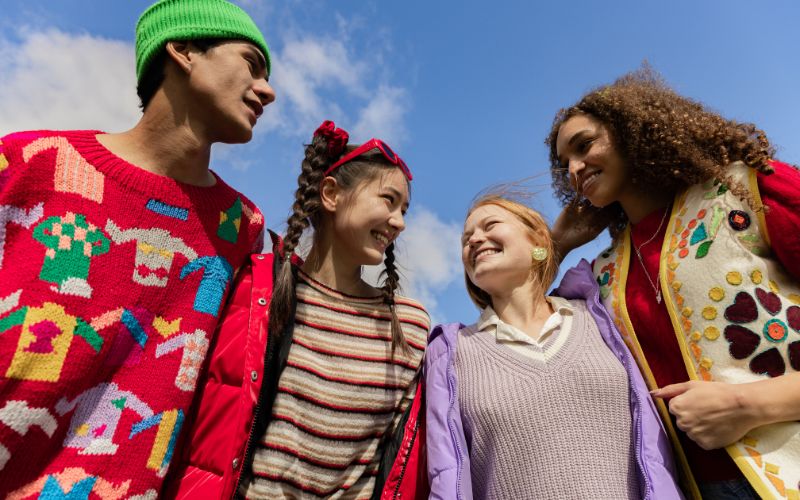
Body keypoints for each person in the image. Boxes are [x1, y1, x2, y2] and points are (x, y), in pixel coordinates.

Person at [0, 0, 274, 496]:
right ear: (184, 50)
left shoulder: (243, 230)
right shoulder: (28, 164)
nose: (268, 90)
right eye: (252, 65)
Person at [548, 67, 800, 499]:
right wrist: (554, 247)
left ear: (632, 131)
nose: (573, 168)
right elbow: (521, 333)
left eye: (584, 145)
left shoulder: (745, 191)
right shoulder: (601, 276)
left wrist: (750, 404)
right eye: (563, 162)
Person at [164, 120, 430, 499]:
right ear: (331, 194)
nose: (399, 222)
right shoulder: (261, 292)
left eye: (405, 209)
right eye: (388, 200)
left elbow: (394, 459)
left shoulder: (409, 325)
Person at [426, 194, 683, 499]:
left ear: (538, 241)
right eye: (466, 239)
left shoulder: (600, 310)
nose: (475, 239)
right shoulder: (450, 354)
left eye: (490, 225)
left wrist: (556, 243)